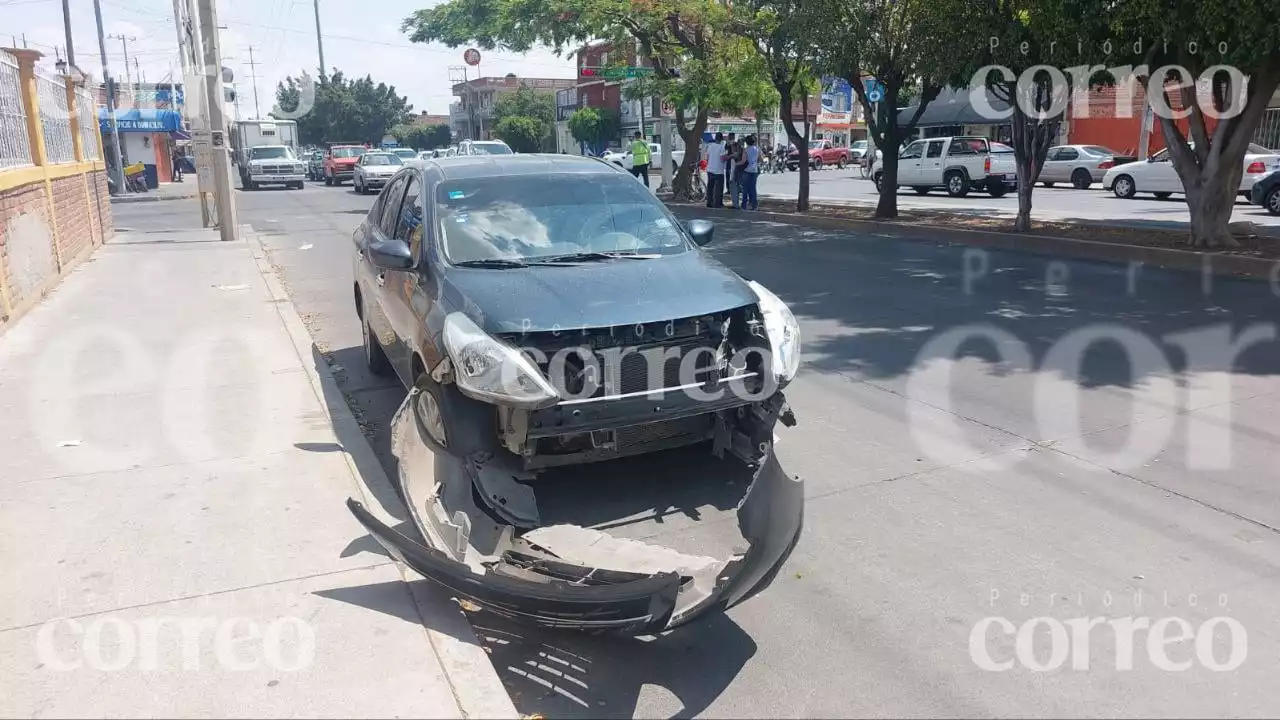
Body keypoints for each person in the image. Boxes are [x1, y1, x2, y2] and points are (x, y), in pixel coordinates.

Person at [703, 133, 725, 208]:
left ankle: (709, 202)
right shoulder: (721, 147)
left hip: (710, 169)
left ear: (715, 138)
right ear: (721, 139)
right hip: (719, 170)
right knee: (719, 188)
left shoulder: (710, 146)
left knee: (710, 187)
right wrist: (728, 157)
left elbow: (707, 157)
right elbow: (722, 159)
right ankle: (718, 203)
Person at [740, 135, 760, 210]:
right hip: (754, 170)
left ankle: (743, 205)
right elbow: (760, 159)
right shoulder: (757, 149)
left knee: (745, 189)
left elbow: (743, 161)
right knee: (753, 189)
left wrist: (737, 163)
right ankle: (754, 205)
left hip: (747, 170)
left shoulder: (746, 150)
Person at [723, 132, 738, 207]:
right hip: (731, 162)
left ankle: (731, 190)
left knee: (731, 177)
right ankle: (729, 190)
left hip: (732, 162)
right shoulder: (728, 144)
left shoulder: (733, 144)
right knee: (729, 176)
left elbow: (729, 153)